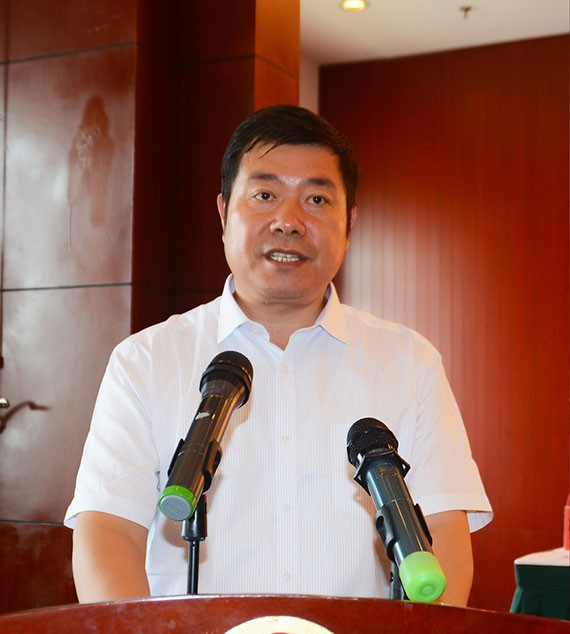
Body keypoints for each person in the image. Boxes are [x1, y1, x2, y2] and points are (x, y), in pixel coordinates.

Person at [65, 105, 492, 607]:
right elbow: (108, 532)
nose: (288, 221)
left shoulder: (410, 362)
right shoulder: (145, 361)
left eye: (316, 199)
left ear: (349, 222)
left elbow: (443, 534)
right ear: (224, 213)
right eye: (265, 195)